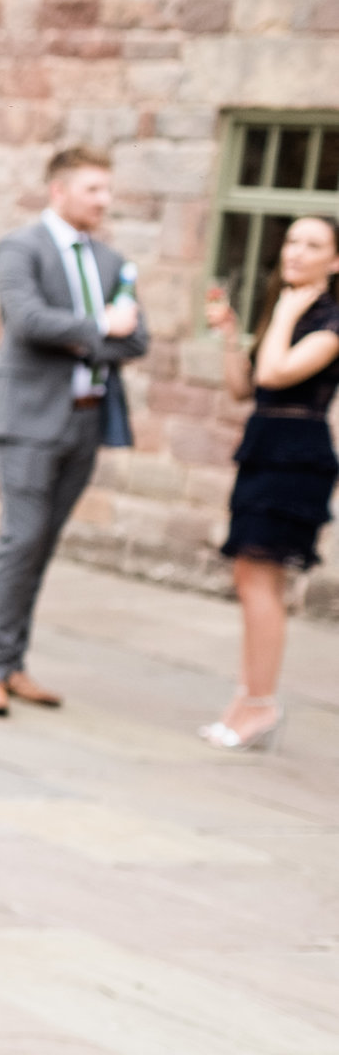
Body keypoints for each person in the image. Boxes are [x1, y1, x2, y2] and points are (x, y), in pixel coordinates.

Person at [0, 147, 149, 716]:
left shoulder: (111, 259)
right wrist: (99, 328)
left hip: (88, 418)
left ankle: (14, 664)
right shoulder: (22, 247)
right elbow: (26, 321)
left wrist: (89, 333)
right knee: (21, 542)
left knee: (42, 547)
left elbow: (138, 340)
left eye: (107, 191)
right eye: (95, 189)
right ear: (60, 191)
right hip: (27, 420)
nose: (105, 201)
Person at [197, 217, 339, 750]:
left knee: (259, 581)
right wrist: (232, 337)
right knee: (251, 580)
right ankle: (249, 698)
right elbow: (243, 387)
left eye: (314, 245)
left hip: (296, 462)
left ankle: (259, 705)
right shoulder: (293, 313)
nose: (297, 253)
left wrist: (281, 312)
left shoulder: (329, 321)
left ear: (335, 260)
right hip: (263, 451)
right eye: (292, 241)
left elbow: (275, 375)